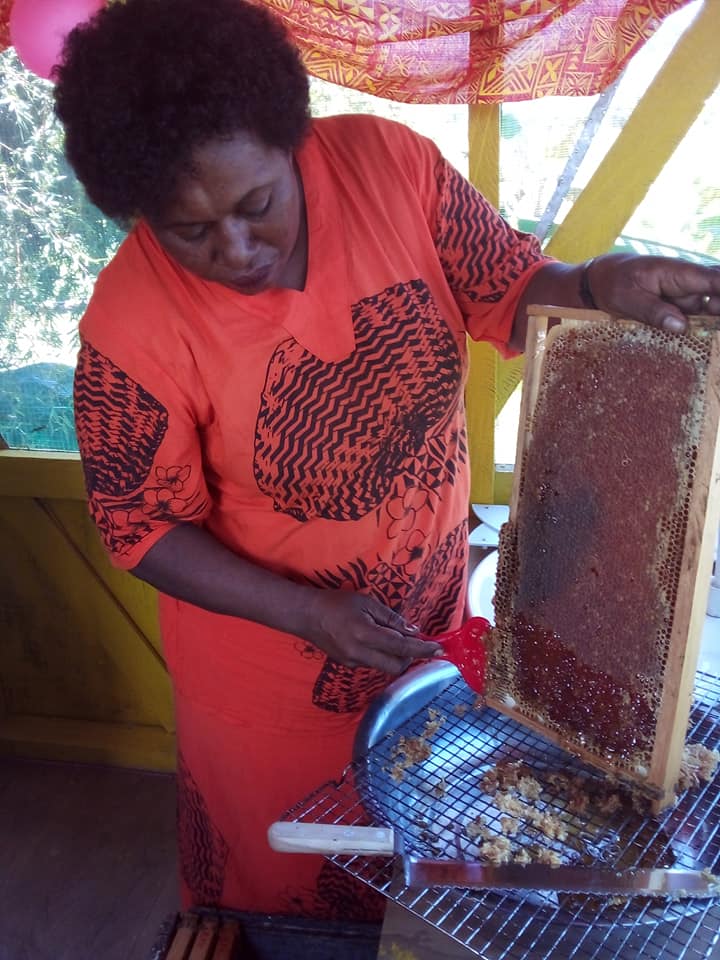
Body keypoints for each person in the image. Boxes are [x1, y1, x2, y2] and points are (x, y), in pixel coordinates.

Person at [53, 0, 720, 923]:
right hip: (270, 687)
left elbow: (517, 292)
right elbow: (140, 527)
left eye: (257, 206)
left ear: (294, 140)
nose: (237, 249)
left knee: (431, 891)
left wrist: (599, 283)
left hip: (427, 637)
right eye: (189, 230)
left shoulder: (389, 169)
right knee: (296, 895)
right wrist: (303, 609)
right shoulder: (131, 326)